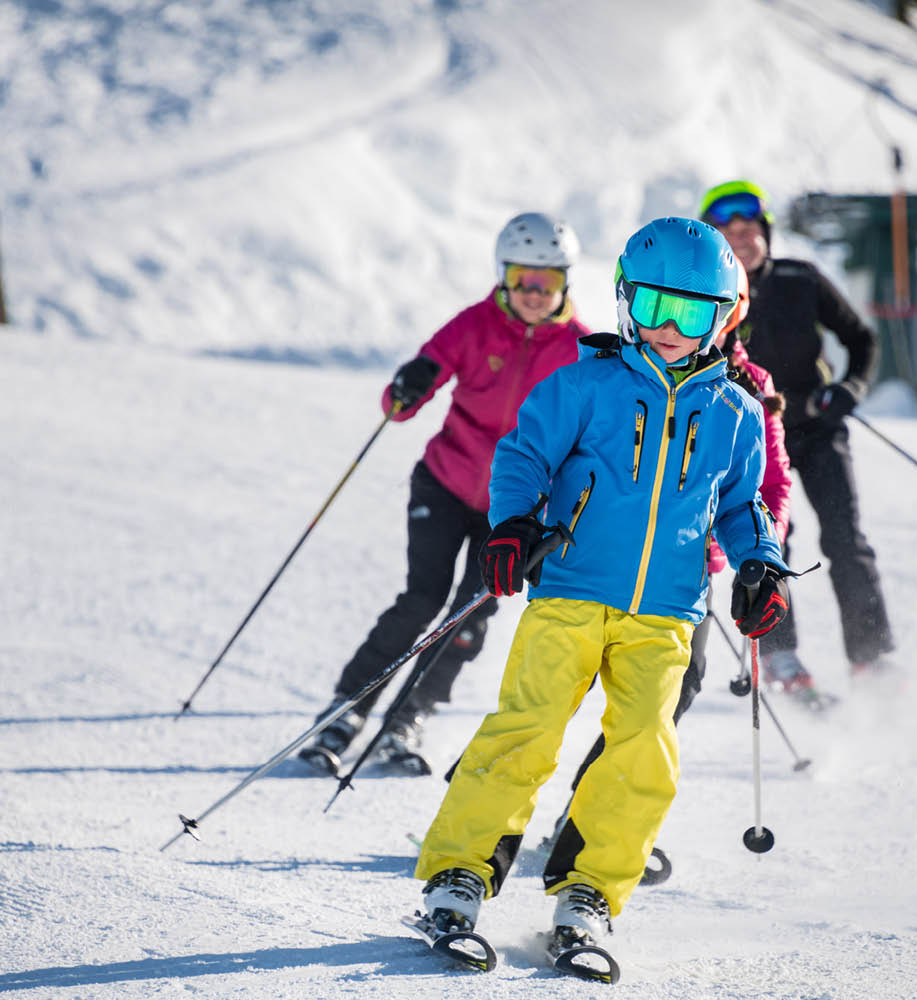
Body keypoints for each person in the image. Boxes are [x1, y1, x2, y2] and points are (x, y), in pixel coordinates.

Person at [412, 217, 792, 957]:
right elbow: (522, 455)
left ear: (723, 317)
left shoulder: (737, 413)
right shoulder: (584, 385)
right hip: (572, 592)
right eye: (654, 308)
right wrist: (514, 523)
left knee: (644, 749)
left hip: (666, 612)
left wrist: (759, 564)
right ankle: (459, 874)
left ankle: (590, 887)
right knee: (526, 731)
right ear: (626, 303)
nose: (670, 329)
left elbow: (748, 506)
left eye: (691, 313)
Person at [299, 212, 592, 776]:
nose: (534, 294)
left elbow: (589, 429)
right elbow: (403, 400)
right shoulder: (475, 324)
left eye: (548, 282)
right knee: (422, 598)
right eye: (523, 279)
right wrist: (406, 390)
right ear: (503, 276)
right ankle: (348, 708)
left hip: (513, 507)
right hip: (447, 480)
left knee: (471, 613)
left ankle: (410, 716)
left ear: (566, 284)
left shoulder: (579, 350)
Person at [699, 180, 894, 686]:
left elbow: (861, 338)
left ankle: (872, 660)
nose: (741, 237)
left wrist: (851, 386)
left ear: (766, 233)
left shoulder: (800, 279)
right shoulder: (708, 297)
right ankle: (782, 657)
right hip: (757, 434)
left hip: (816, 425)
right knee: (770, 540)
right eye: (728, 230)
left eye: (750, 227)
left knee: (846, 539)